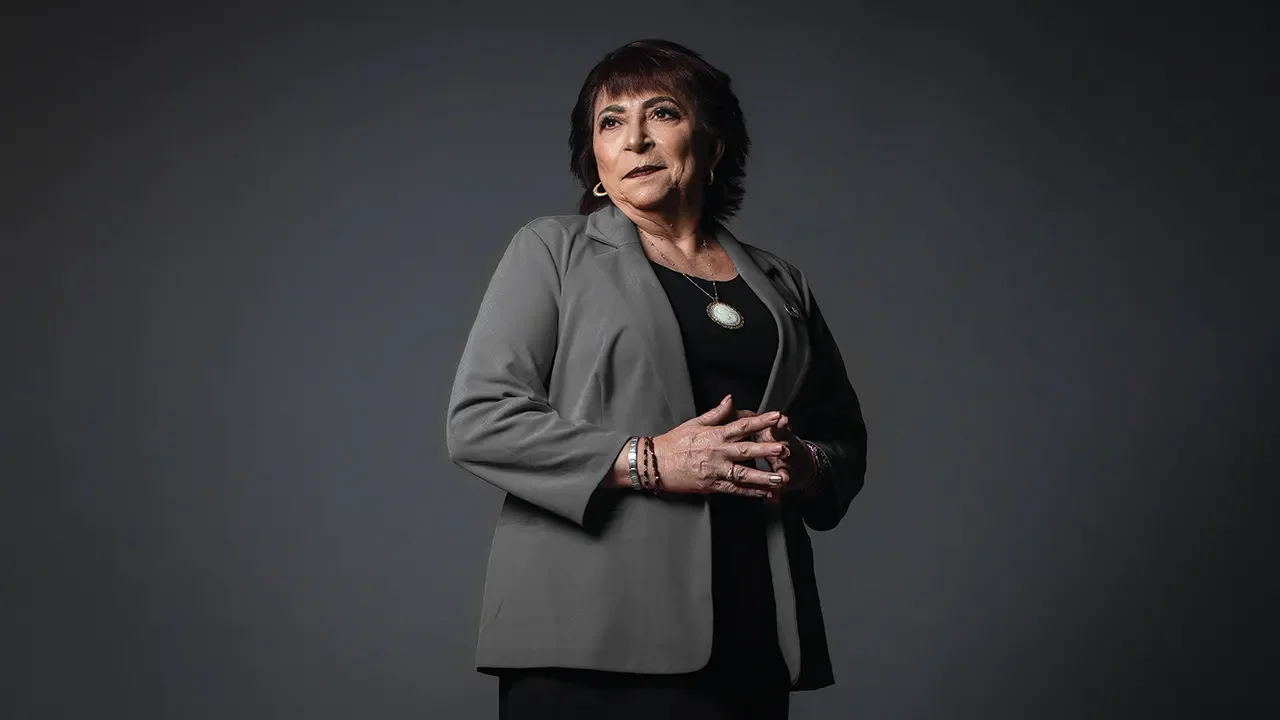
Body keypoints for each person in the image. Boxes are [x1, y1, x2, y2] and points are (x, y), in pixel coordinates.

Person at [446, 38, 868, 720]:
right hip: (589, 634)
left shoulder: (782, 284)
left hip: (751, 628)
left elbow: (843, 440)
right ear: (595, 159)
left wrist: (804, 466)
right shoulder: (552, 251)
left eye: (662, 113)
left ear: (713, 141)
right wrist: (649, 459)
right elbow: (480, 420)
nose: (635, 138)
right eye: (610, 122)